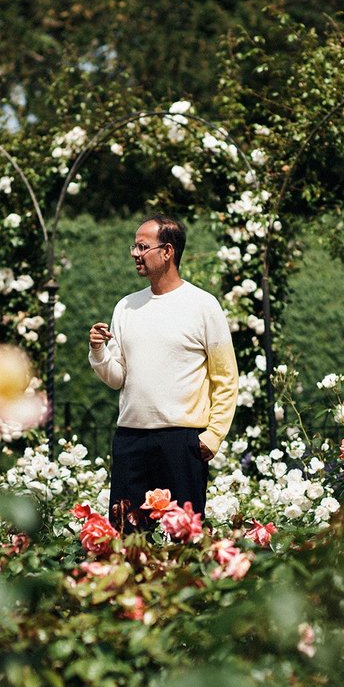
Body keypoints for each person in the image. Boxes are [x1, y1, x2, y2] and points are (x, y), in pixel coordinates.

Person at [88, 213, 238, 530]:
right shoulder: (125, 307)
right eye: (135, 246)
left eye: (142, 247)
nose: (134, 253)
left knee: (184, 542)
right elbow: (117, 378)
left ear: (167, 252)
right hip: (130, 442)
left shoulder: (203, 305)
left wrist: (212, 437)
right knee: (127, 539)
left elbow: (226, 379)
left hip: (182, 444)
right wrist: (99, 351)